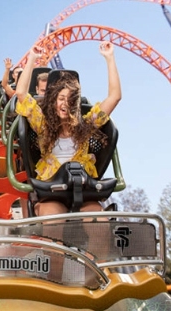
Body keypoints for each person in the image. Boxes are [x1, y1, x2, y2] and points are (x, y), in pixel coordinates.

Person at [15, 41, 121, 216]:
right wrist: (32, 58)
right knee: (53, 218)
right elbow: (21, 94)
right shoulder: (43, 126)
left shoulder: (86, 125)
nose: (66, 104)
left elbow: (115, 97)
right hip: (53, 190)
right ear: (53, 101)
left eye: (71, 100)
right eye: (61, 98)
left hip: (82, 189)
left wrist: (110, 58)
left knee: (98, 221)